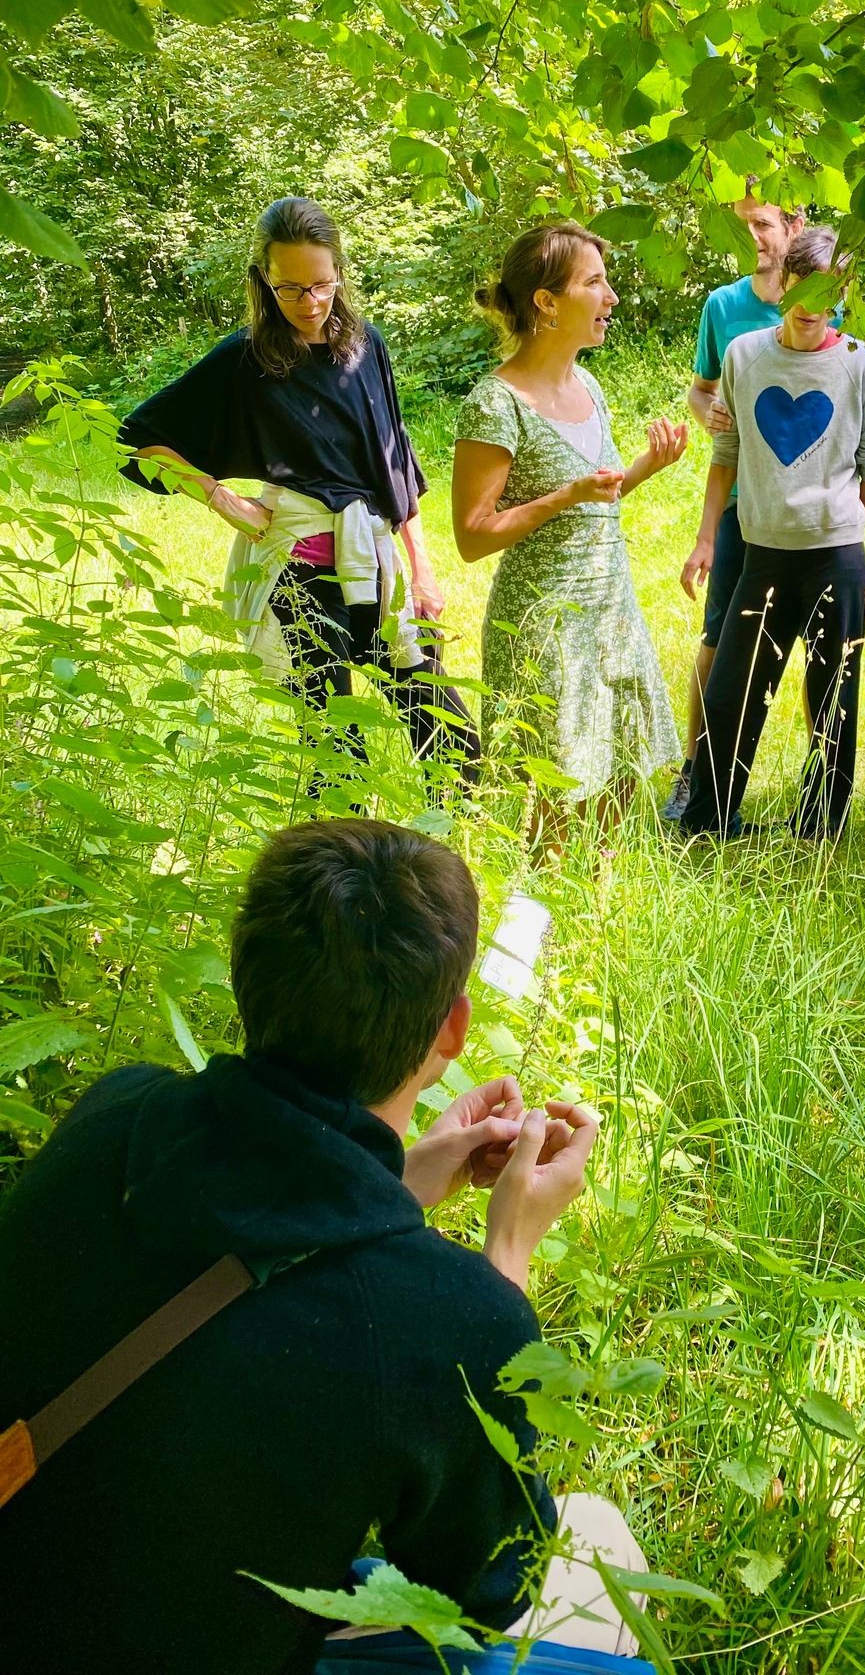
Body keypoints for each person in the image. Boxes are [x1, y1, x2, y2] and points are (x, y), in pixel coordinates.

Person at [0, 818, 654, 1674]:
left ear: (243, 972)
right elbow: (491, 1585)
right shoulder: (451, 1323)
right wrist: (505, 1262)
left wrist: (399, 1184)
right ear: (451, 1028)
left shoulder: (117, 1119)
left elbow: (254, 1281)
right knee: (606, 1569)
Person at [117, 197, 482, 793]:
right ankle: (342, 878)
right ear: (264, 280)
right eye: (291, 289)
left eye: (322, 285)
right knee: (336, 755)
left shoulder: (366, 346)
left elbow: (396, 459)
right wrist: (220, 497)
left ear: (339, 272)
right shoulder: (244, 358)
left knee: (447, 731)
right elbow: (136, 441)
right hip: (300, 579)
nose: (310, 303)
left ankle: (458, 857)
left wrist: (423, 569)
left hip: (375, 562)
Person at [452, 221, 685, 849]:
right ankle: (542, 930)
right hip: (546, 627)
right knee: (557, 800)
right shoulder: (494, 403)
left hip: (612, 612)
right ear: (547, 302)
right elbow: (472, 536)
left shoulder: (590, 386)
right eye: (595, 283)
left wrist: (642, 470)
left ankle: (594, 914)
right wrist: (564, 495)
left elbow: (594, 503)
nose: (611, 297)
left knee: (623, 780)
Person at [678, 226, 865, 840]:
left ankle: (821, 826)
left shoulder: (862, 365)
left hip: (836, 560)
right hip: (762, 556)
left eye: (827, 295)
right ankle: (708, 821)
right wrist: (705, 539)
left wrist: (840, 525)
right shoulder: (743, 354)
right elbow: (727, 452)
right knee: (731, 697)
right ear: (785, 287)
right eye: (802, 291)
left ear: (841, 296)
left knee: (833, 701)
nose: (810, 309)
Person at [663, 191, 806, 823]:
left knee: (821, 646)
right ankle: (695, 770)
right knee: (720, 637)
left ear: (792, 227)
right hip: (742, 501)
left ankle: (820, 776)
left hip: (809, 510)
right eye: (742, 224)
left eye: (763, 223)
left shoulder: (830, 300)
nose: (752, 235)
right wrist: (710, 411)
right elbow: (701, 393)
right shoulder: (723, 307)